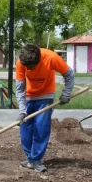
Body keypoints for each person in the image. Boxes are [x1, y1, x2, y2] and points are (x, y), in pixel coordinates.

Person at [15, 44, 75, 172]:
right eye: (27, 67)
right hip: (28, 96)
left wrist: (66, 93)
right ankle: (30, 158)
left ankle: (36, 159)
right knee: (25, 128)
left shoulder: (51, 57)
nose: (29, 69)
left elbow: (69, 74)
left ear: (39, 60)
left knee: (41, 128)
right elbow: (20, 89)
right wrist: (22, 110)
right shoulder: (21, 62)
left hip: (45, 96)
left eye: (31, 67)